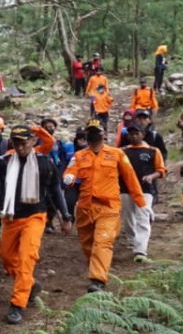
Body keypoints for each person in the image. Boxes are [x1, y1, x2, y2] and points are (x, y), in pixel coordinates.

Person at [0, 125, 72, 324]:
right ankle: (30, 284)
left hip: (35, 216)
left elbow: (55, 191)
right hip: (11, 216)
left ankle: (17, 304)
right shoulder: (6, 161)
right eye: (15, 142)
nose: (19, 146)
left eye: (23, 142)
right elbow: (0, 183)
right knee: (7, 257)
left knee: (26, 258)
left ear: (33, 141)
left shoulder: (45, 164)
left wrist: (65, 216)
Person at [63, 119, 147, 293]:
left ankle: (98, 280)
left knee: (103, 241)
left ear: (103, 134)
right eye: (91, 132)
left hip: (109, 206)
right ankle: (96, 268)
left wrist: (140, 202)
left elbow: (130, 178)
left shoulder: (116, 154)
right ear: (87, 136)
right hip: (85, 207)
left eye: (97, 132)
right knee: (88, 244)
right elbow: (70, 171)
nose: (94, 136)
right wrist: (69, 177)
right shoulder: (79, 156)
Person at [119, 125, 166, 263]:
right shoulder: (123, 151)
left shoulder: (153, 151)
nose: (133, 136)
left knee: (143, 217)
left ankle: (140, 250)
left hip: (145, 190)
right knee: (127, 217)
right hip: (125, 189)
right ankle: (133, 241)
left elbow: (161, 170)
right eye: (131, 134)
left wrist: (152, 176)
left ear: (143, 134)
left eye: (136, 133)